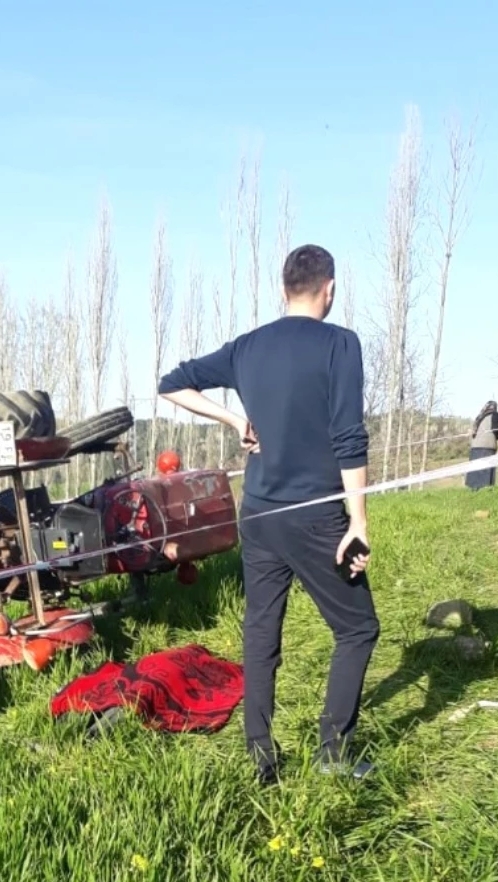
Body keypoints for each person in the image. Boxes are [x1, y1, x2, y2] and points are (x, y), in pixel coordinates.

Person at [159, 244, 379, 783]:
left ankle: (260, 755)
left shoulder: (247, 347)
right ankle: (333, 753)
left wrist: (232, 420)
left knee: (261, 633)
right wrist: (358, 520)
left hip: (257, 514)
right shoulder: (340, 344)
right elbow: (349, 435)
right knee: (357, 629)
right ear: (330, 289)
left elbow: (172, 383)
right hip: (315, 516)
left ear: (283, 291)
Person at [465, 400, 498, 490]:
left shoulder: (480, 416)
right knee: (486, 468)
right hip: (487, 445)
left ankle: (473, 488)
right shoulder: (495, 414)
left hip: (475, 445)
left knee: (475, 468)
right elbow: (494, 429)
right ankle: (485, 488)